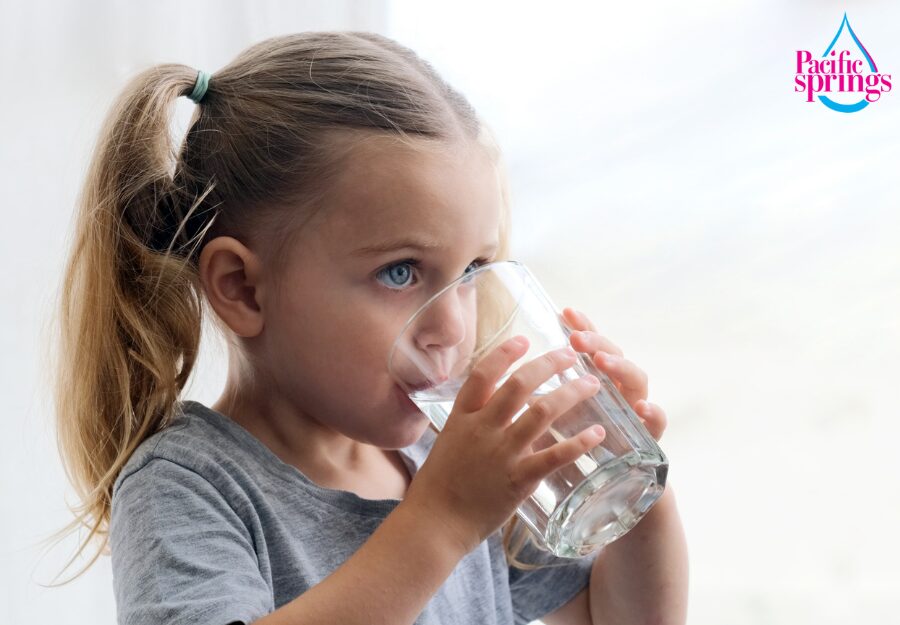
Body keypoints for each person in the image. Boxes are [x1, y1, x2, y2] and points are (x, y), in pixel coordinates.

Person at [51, 31, 688, 625]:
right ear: (243, 288)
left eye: (471, 269)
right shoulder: (187, 486)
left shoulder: (450, 457)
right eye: (401, 272)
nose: (451, 326)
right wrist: (441, 521)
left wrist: (636, 494)